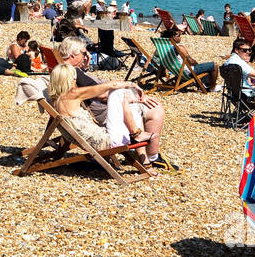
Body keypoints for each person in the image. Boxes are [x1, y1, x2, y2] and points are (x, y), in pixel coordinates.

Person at [56, 37, 170, 167]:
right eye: (84, 53)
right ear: (73, 55)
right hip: (103, 111)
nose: (87, 55)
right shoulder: (73, 72)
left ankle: (143, 153)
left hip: (98, 108)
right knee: (155, 109)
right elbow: (104, 95)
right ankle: (150, 156)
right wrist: (132, 92)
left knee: (138, 102)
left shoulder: (64, 71)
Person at [47, 64, 147, 153]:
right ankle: (136, 134)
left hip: (94, 142)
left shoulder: (54, 102)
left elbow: (52, 123)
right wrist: (131, 84)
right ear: (72, 78)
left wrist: (45, 137)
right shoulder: (74, 94)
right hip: (107, 142)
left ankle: (138, 138)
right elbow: (111, 85)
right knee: (116, 93)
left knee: (132, 106)